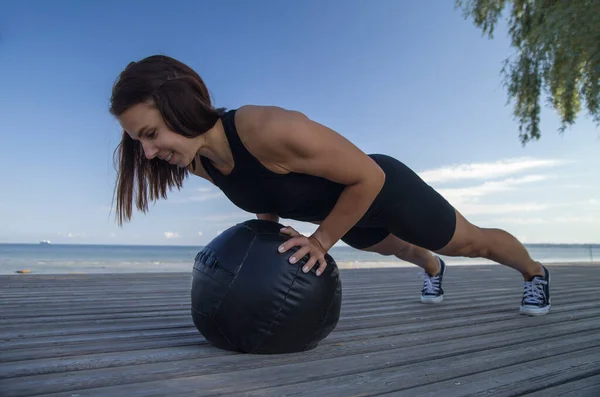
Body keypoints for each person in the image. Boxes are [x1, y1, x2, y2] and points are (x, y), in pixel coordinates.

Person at [109, 55, 551, 316]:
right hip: (341, 214)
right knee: (400, 249)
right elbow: (262, 195)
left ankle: (535, 273)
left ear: (180, 106)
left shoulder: (267, 127)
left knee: (470, 243)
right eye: (138, 143)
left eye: (150, 135)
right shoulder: (200, 163)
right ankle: (432, 269)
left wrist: (320, 241)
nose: (148, 154)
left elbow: (369, 176)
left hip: (379, 187)